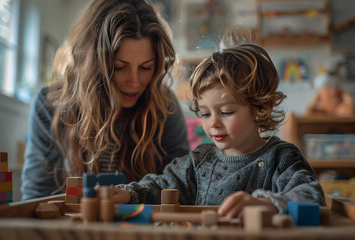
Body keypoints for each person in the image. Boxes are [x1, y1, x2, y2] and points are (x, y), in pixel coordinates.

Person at [113, 44, 325, 218]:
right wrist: (127, 194)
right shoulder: (198, 161)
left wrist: (267, 204)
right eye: (205, 114)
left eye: (226, 112)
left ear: (259, 108)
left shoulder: (282, 157)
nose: (213, 123)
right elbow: (160, 187)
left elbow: (310, 197)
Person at [21, 0, 190, 200]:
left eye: (145, 67)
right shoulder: (50, 104)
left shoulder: (164, 105)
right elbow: (37, 196)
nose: (134, 82)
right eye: (119, 67)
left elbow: (182, 184)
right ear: (93, 65)